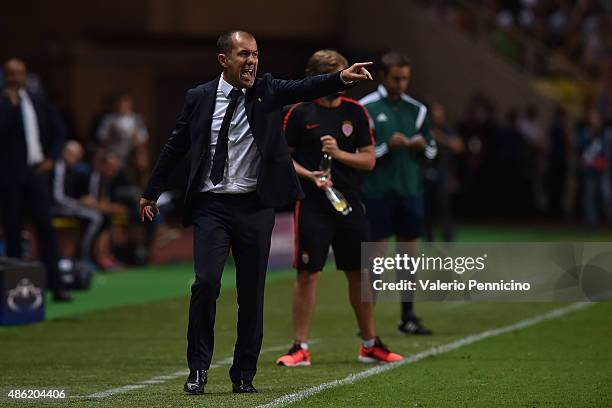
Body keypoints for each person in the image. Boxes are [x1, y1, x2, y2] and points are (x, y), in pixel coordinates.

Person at [138, 30, 373, 395]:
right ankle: (198, 368)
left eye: (255, 55)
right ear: (223, 60)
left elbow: (305, 87)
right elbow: (175, 145)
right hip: (212, 206)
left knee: (251, 293)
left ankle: (243, 373)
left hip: (254, 206)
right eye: (244, 54)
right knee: (206, 283)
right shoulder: (199, 98)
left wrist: (341, 77)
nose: (251, 61)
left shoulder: (268, 91)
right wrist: (151, 191)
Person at [275, 50, 403, 367]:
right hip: (312, 205)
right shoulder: (299, 112)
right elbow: (281, 159)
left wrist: (339, 155)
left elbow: (369, 159)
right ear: (318, 76)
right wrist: (310, 174)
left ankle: (370, 344)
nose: (343, 75)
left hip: (350, 205)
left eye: (344, 69)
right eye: (336, 70)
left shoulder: (356, 112)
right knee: (308, 274)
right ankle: (299, 347)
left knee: (358, 273)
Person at [359, 52, 437, 335]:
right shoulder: (364, 107)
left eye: (405, 78)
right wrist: (385, 147)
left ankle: (407, 316)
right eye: (396, 78)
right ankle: (367, 322)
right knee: (375, 256)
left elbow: (431, 150)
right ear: (382, 76)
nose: (401, 84)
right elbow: (358, 152)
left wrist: (420, 147)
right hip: (377, 191)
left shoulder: (417, 110)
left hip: (409, 189)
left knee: (407, 255)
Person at [0, 58, 72, 302]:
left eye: (19, 73)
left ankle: (57, 286)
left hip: (37, 175)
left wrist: (51, 158)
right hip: (10, 178)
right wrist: (9, 107)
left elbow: (59, 129)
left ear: (25, 75)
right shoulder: (2, 101)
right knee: (13, 232)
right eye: (10, 73)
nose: (14, 78)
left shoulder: (36, 99)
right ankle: (10, 290)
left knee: (46, 231)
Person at [52, 140, 104, 263]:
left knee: (96, 216)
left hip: (66, 206)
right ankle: (83, 256)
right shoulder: (58, 166)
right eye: (75, 156)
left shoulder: (70, 169)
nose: (77, 160)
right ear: (67, 153)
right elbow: (58, 198)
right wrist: (80, 204)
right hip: (54, 207)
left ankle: (87, 254)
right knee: (96, 217)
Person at [423, 102, 463, 242]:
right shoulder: (425, 129)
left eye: (439, 112)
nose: (437, 115)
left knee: (443, 205)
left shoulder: (448, 130)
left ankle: (448, 236)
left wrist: (439, 137)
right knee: (427, 205)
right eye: (434, 112)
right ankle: (428, 236)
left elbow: (458, 146)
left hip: (443, 171)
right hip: (426, 170)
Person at [96, 93, 149, 168]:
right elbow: (101, 138)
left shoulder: (137, 119)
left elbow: (143, 138)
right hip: (113, 153)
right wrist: (112, 133)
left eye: (125, 103)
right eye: (121, 103)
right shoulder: (108, 119)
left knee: (141, 159)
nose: (123, 106)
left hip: (131, 153)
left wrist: (135, 138)